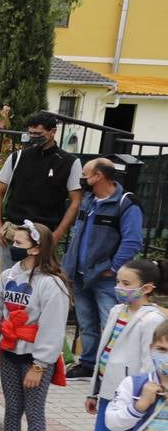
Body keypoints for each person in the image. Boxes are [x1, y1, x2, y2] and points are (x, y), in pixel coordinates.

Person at [57, 259, 166, 431]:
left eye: (126, 284)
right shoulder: (118, 310)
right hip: (108, 391)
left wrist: (142, 398)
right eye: (119, 282)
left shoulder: (152, 320)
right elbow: (104, 353)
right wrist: (94, 392)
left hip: (133, 396)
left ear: (148, 288)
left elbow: (148, 362)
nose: (119, 287)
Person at [0, 220, 72, 431]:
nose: (14, 247)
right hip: (10, 352)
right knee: (12, 408)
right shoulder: (9, 276)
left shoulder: (52, 284)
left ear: (36, 249)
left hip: (34, 358)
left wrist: (41, 365)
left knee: (33, 411)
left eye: (20, 243)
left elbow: (53, 328)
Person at [63, 157, 144, 379]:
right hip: (81, 275)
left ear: (99, 176)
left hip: (106, 278)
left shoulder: (126, 203)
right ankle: (88, 364)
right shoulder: (89, 201)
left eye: (86, 174)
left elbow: (133, 241)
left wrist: (113, 269)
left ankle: (111, 369)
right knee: (87, 323)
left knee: (111, 323)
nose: (81, 179)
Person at [0, 111, 82, 265]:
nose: (33, 137)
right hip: (13, 231)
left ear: (53, 132)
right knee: (9, 281)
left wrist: (56, 236)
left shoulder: (70, 162)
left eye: (38, 133)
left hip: (44, 234)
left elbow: (75, 202)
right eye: (31, 133)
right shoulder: (17, 157)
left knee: (38, 283)